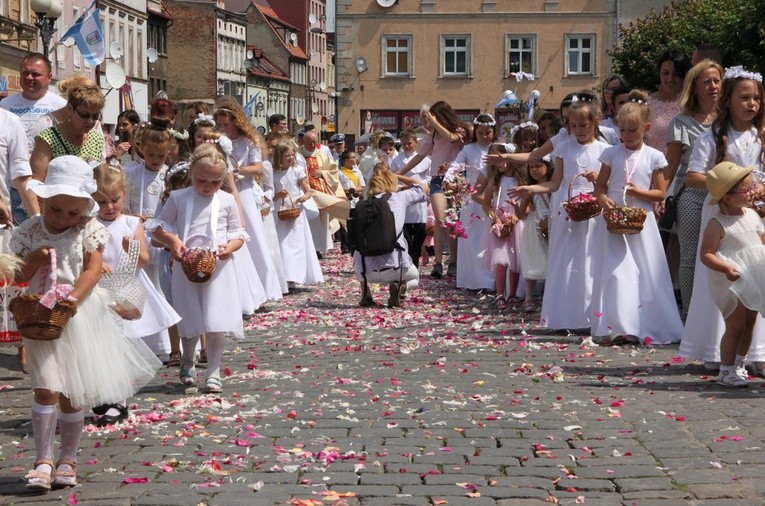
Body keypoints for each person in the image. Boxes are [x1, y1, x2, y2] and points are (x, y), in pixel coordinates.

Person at [10, 156, 160, 491]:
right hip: (41, 316)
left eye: (73, 213)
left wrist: (73, 298)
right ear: (44, 201)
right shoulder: (30, 230)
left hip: (77, 317)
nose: (64, 219)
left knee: (71, 393)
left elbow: (92, 270)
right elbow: (17, 274)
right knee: (46, 386)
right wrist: (33, 259)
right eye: (56, 210)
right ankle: (43, 458)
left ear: (84, 209)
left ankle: (68, 458)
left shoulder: (88, 230)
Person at [680, 65, 765, 372]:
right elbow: (692, 176)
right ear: (728, 100)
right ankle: (716, 347)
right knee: (724, 277)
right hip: (721, 214)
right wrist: (726, 185)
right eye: (744, 98)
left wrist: (757, 189)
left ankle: (755, 353)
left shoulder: (761, 136)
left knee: (757, 275)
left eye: (756, 98)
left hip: (754, 216)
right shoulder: (712, 137)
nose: (751, 104)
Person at [147, 143, 248, 393]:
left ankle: (213, 370)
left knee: (216, 319)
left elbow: (238, 232)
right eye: (202, 180)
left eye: (215, 182)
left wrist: (230, 247)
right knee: (189, 317)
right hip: (186, 265)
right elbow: (158, 225)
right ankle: (188, 357)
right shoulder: (180, 198)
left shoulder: (225, 200)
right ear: (191, 171)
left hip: (219, 268)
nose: (208, 186)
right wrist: (172, 241)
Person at [589, 90, 683, 345]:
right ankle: (621, 325)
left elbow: (660, 192)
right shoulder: (611, 154)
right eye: (623, 130)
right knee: (618, 273)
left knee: (646, 272)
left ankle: (649, 322)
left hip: (642, 223)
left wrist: (639, 192)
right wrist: (604, 199)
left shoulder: (654, 156)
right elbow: (599, 186)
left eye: (633, 130)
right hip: (615, 222)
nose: (626, 137)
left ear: (646, 127)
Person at [508, 95, 609, 330]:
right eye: (573, 126)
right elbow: (554, 184)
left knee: (591, 258)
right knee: (567, 257)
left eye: (583, 125)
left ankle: (592, 314)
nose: (578, 130)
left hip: (593, 206)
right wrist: (530, 188)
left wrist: (597, 181)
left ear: (595, 122)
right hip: (567, 204)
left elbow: (608, 182)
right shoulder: (563, 148)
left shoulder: (605, 150)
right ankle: (566, 314)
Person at [91, 164, 180, 425]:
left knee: (121, 346)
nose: (108, 207)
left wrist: (131, 249)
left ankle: (119, 400)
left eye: (114, 200)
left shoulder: (130, 223)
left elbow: (142, 260)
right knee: (101, 346)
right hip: (99, 290)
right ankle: (104, 393)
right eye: (101, 201)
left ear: (124, 194)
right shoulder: (90, 224)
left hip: (125, 291)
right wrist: (95, 264)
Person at [665, 59, 723, 319]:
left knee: (722, 256)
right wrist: (657, 195)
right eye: (707, 81)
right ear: (694, 88)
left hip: (726, 197)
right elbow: (672, 165)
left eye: (717, 80)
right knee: (690, 258)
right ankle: (690, 316)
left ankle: (718, 316)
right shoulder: (681, 122)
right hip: (692, 195)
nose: (713, 86)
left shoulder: (729, 119)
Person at [700, 162, 765, 386]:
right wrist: (724, 267)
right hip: (730, 279)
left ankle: (740, 362)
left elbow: (759, 241)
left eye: (751, 187)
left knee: (750, 323)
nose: (751, 192)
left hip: (753, 275)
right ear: (726, 198)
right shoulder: (717, 224)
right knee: (735, 325)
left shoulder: (752, 215)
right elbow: (706, 254)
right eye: (744, 190)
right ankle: (726, 370)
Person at [214, 105, 284, 301]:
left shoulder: (249, 141)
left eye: (225, 124)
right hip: (223, 190)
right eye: (218, 124)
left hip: (243, 191)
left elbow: (257, 168)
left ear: (235, 122)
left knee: (253, 239)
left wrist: (237, 171)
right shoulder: (218, 141)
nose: (221, 128)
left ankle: (264, 287)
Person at [395, 101, 469, 278]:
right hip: (437, 179)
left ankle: (453, 261)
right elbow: (420, 156)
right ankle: (437, 263)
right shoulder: (433, 133)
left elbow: (452, 138)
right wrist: (398, 173)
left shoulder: (459, 129)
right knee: (440, 219)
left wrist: (435, 123)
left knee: (452, 222)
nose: (429, 120)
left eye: (433, 116)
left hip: (455, 179)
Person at [1, 53, 67, 223]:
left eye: (36, 74)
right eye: (25, 73)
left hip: (48, 186)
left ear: (49, 77)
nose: (29, 78)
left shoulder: (61, 106)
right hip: (12, 186)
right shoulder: (5, 105)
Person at [355, 163, 429, 308]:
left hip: (366, 271)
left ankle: (365, 292)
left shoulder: (364, 203)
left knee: (359, 248)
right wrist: (399, 176)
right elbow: (423, 189)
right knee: (415, 278)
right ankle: (402, 288)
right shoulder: (400, 197)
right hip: (397, 267)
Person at [29, 75, 105, 182]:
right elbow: (36, 183)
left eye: (95, 116)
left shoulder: (96, 138)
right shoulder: (48, 139)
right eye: (84, 115)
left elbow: (100, 180)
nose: (90, 121)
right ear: (70, 108)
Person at [271, 142, 324, 287]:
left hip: (296, 210)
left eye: (292, 155)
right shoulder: (274, 174)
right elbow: (271, 194)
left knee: (297, 244)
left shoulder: (297, 171)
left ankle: (296, 275)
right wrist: (277, 195)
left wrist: (304, 197)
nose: (290, 158)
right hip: (280, 211)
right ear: (279, 157)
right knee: (282, 244)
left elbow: (307, 190)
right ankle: (285, 276)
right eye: (286, 155)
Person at [453, 115, 494, 290]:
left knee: (491, 236)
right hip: (472, 198)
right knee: (473, 238)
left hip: (493, 195)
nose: (485, 136)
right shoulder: (468, 150)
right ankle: (473, 278)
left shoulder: (499, 148)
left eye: (488, 132)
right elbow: (455, 167)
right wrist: (450, 178)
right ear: (475, 133)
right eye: (481, 133)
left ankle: (492, 277)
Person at [482, 143, 525, 309]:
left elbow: (527, 202)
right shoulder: (495, 180)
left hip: (516, 220)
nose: (499, 164)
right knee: (501, 259)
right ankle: (500, 293)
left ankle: (512, 293)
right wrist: (495, 218)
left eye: (501, 160)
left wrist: (515, 217)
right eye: (496, 161)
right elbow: (486, 204)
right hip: (499, 223)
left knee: (515, 258)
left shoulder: (521, 180)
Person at [299, 130, 349, 255]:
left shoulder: (322, 155)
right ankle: (307, 249)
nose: (311, 145)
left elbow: (333, 171)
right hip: (304, 193)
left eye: (314, 143)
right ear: (303, 142)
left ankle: (317, 249)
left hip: (320, 193)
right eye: (308, 142)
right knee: (307, 223)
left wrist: (322, 173)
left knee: (319, 224)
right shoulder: (297, 155)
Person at [514, 157, 553, 312]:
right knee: (533, 259)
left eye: (538, 166)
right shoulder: (529, 189)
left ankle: (549, 296)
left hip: (551, 223)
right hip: (534, 225)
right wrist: (515, 208)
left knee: (551, 259)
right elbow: (521, 213)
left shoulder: (553, 186)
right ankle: (529, 297)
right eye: (531, 167)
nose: (535, 170)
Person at [390, 129, 431, 268]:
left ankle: (416, 254)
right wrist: (402, 187)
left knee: (420, 233)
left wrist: (421, 186)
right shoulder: (396, 161)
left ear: (415, 142)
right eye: (403, 144)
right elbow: (393, 179)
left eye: (409, 143)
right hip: (404, 197)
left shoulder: (425, 160)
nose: (407, 146)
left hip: (419, 197)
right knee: (406, 233)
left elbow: (429, 178)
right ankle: (410, 261)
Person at [646, 49, 692, 157]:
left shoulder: (691, 104)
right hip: (654, 168)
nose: (670, 79)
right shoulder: (648, 104)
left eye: (676, 74)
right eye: (665, 73)